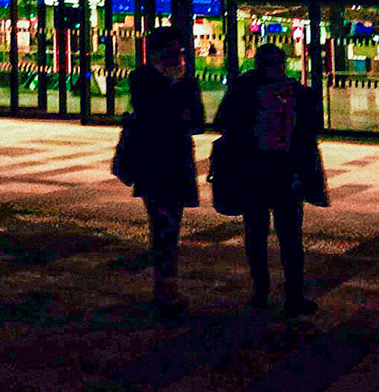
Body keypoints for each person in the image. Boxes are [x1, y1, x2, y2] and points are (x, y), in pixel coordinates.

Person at [212, 41, 326, 317]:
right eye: (270, 64)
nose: (274, 69)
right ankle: (268, 291)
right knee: (267, 233)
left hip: (279, 171)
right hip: (260, 170)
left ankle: (284, 294)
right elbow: (225, 123)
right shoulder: (248, 90)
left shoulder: (292, 92)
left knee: (282, 235)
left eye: (277, 64)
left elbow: (309, 130)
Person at [123, 28, 205, 320]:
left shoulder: (186, 82)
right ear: (157, 53)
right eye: (172, 52)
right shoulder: (144, 79)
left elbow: (197, 121)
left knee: (171, 226)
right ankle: (164, 289)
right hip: (154, 164)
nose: (178, 58)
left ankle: (167, 286)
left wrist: (178, 107)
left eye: (179, 52)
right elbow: (155, 116)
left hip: (177, 163)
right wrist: (177, 105)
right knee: (163, 225)